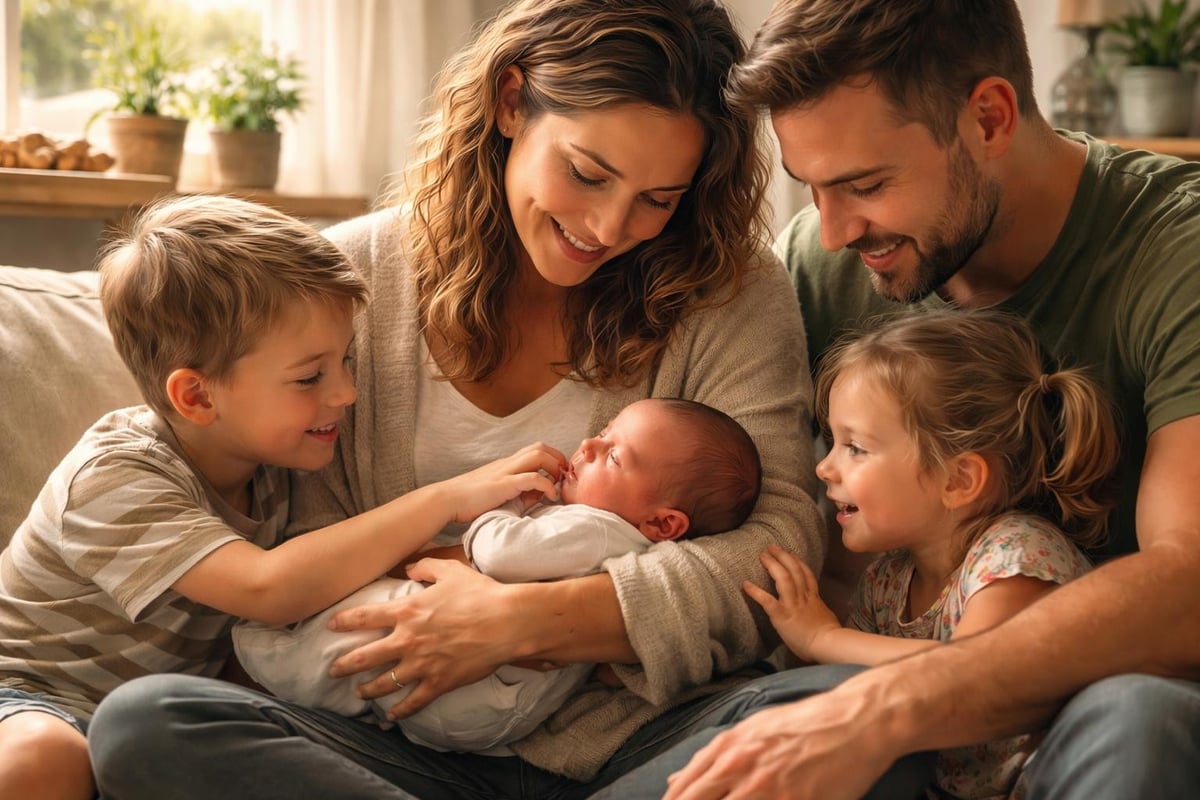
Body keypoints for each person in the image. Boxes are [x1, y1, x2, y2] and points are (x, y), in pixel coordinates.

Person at [86, 1, 831, 798]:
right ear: (511, 101)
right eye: (587, 173)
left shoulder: (729, 293)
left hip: (630, 743)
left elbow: (775, 554)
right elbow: (299, 540)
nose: (611, 226)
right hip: (387, 735)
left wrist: (525, 623)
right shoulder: (344, 286)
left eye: (659, 198)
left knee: (847, 710)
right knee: (147, 722)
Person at [594, 1, 1200, 798]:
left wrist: (891, 707)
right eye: (809, 189)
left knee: (1137, 713)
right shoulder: (822, 264)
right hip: (882, 716)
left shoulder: (1174, 248)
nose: (835, 230)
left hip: (1090, 723)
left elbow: (1187, 583)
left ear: (988, 117)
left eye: (865, 184)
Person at [0, 194, 562, 800]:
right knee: (46, 757)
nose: (346, 392)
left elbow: (330, 582)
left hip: (167, 722)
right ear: (197, 397)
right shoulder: (112, 478)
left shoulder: (279, 462)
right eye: (309, 376)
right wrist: (446, 499)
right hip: (33, 694)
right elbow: (268, 588)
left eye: (345, 361)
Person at [233, 397, 762, 753]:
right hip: (491, 705)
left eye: (615, 456)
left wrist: (500, 506)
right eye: (602, 433)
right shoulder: (613, 539)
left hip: (477, 693)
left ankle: (272, 654)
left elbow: (501, 555)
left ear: (663, 523)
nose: (589, 446)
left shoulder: (598, 531)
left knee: (376, 616)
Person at [745, 310, 1118, 799]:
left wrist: (822, 637)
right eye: (832, 441)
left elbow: (968, 679)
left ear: (958, 480)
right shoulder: (888, 581)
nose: (824, 467)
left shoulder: (1016, 556)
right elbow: (854, 687)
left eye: (854, 447)